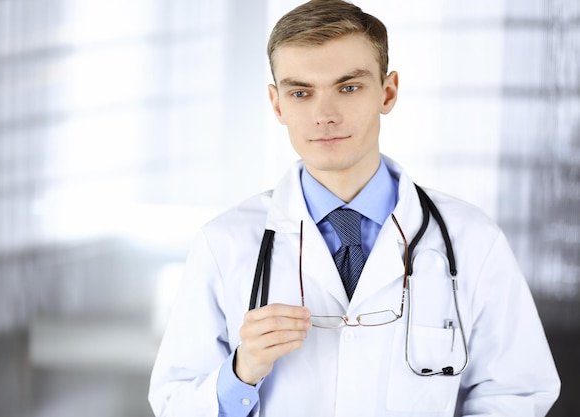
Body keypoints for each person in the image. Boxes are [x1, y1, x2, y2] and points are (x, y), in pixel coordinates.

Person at [148, 1, 561, 415]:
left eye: (348, 87)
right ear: (277, 105)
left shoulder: (471, 238)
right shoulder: (225, 243)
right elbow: (173, 402)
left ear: (388, 91)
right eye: (300, 92)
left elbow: (517, 392)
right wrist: (241, 372)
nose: (324, 115)